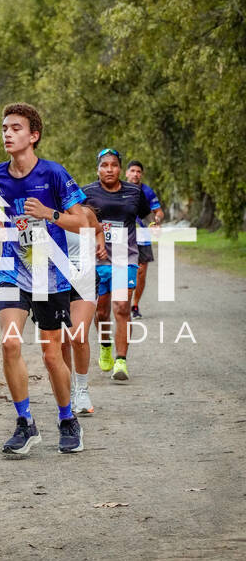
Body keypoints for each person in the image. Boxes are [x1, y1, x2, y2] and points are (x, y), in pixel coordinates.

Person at [0, 102, 88, 455]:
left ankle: (67, 419)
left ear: (34, 136)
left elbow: (83, 222)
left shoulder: (54, 173)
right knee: (10, 344)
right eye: (4, 128)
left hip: (50, 275)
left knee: (50, 354)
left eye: (15, 128)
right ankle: (25, 423)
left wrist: (49, 213)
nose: (7, 134)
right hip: (13, 270)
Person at [83, 149, 151, 380]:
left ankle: (121, 361)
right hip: (97, 259)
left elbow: (145, 215)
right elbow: (76, 220)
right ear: (97, 169)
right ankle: (105, 346)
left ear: (120, 169)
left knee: (121, 307)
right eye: (104, 165)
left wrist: (154, 225)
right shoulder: (87, 193)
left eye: (113, 165)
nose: (109, 169)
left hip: (125, 257)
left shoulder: (134, 192)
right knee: (101, 311)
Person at [61, 205, 107, 415]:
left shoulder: (85, 213)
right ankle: (67, 390)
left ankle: (82, 389)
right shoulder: (41, 213)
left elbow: (98, 229)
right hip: (54, 280)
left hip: (85, 279)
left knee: (78, 336)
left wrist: (100, 244)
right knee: (61, 341)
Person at [126, 160, 164, 318]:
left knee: (141, 272)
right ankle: (122, 304)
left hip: (143, 235)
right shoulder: (119, 189)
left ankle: (135, 305)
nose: (136, 174)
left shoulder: (147, 191)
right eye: (133, 171)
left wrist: (157, 220)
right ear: (126, 173)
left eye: (139, 172)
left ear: (141, 174)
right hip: (123, 236)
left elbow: (158, 211)